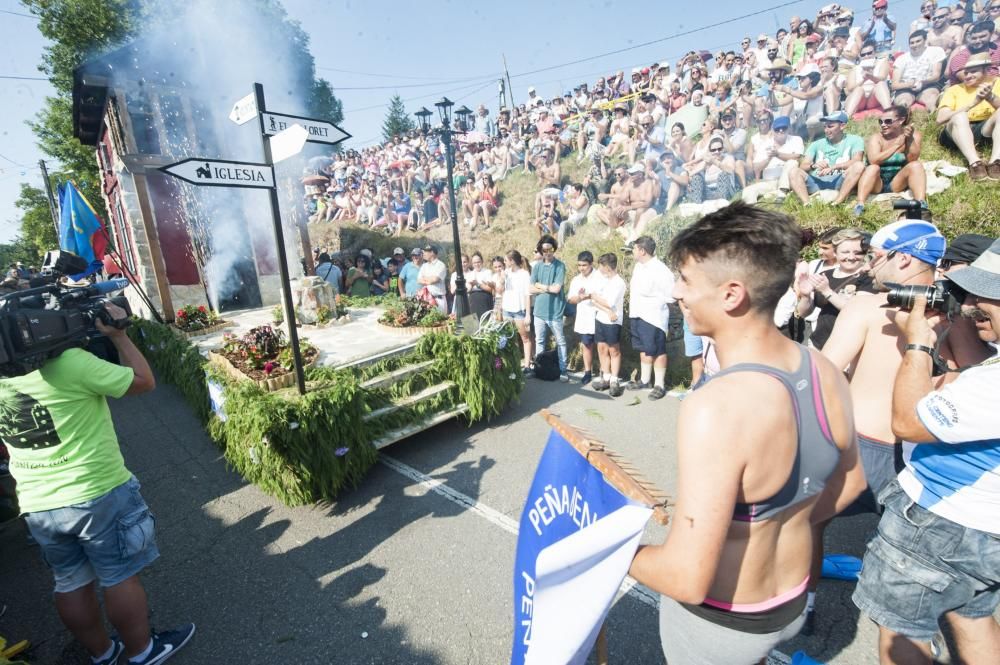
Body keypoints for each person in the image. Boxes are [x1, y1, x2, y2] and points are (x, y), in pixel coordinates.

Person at [628, 202, 865, 665]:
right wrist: (785, 521)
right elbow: (852, 482)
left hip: (724, 621)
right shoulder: (822, 368)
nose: (677, 291)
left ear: (731, 294)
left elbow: (686, 577)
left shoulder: (714, 406)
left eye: (686, 280)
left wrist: (604, 549)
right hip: (791, 597)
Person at [0, 302, 196, 665]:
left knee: (69, 581)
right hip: (95, 490)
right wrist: (120, 335)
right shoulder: (70, 364)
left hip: (38, 502)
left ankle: (103, 653)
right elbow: (143, 381)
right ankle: (142, 651)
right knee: (118, 575)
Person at [853, 238, 1000, 665]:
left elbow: (908, 421)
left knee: (902, 633)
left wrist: (918, 344)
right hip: (986, 529)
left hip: (941, 525)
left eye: (984, 293)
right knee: (973, 618)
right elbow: (973, 378)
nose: (970, 302)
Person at [795, 228, 877, 350]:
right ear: (836, 252)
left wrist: (827, 292)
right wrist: (806, 295)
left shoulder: (868, 277)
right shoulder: (826, 274)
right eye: (845, 252)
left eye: (858, 252)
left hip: (847, 347)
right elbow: (803, 313)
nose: (851, 257)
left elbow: (859, 312)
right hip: (818, 342)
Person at [936, 53, 1000, 181]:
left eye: (973, 72)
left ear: (986, 70)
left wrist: (989, 97)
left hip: (985, 129)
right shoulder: (954, 90)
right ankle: (975, 163)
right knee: (960, 116)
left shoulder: (997, 83)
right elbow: (940, 119)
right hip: (956, 130)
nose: (968, 76)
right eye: (966, 73)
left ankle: (996, 162)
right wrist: (973, 103)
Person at [854, 105, 928, 216]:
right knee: (873, 168)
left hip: (897, 182)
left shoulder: (914, 135)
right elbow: (874, 160)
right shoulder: (877, 137)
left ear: (901, 120)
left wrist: (909, 141)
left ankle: (921, 204)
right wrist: (896, 146)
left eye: (888, 121)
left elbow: (912, 159)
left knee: (916, 165)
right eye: (881, 121)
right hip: (876, 182)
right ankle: (860, 204)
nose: (883, 125)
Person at [627, 236, 674, 400]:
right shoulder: (638, 267)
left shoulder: (661, 270)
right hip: (637, 314)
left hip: (653, 317)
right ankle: (645, 379)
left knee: (658, 350)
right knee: (643, 348)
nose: (632, 251)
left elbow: (670, 297)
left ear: (642, 250)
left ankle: (659, 384)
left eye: (634, 248)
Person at [788, 110, 866, 205]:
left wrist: (834, 167)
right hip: (817, 180)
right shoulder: (816, 144)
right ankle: (807, 204)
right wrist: (813, 166)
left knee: (859, 166)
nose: (826, 130)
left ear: (842, 126)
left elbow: (857, 160)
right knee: (794, 171)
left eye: (830, 126)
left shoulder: (855, 140)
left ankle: (838, 202)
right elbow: (803, 166)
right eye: (825, 127)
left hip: (840, 179)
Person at [530, 235, 569, 382]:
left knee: (560, 341)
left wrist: (539, 286)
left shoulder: (560, 266)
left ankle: (563, 369)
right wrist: (545, 288)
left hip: (555, 312)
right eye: (544, 249)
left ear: (554, 249)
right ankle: (539, 368)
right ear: (541, 250)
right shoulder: (537, 266)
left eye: (550, 249)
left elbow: (556, 289)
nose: (547, 252)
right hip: (539, 311)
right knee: (539, 341)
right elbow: (530, 288)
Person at [589, 252, 627, 397]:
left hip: (613, 321)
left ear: (607, 267)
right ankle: (605, 377)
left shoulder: (619, 283)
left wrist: (596, 298)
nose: (599, 269)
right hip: (601, 318)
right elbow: (594, 300)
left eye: (601, 266)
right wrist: (598, 301)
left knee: (614, 350)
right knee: (602, 348)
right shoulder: (603, 280)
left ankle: (614, 380)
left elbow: (608, 302)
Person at [744, 114, 805, 203]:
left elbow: (798, 157)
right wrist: (768, 159)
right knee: (748, 191)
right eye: (777, 129)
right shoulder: (765, 144)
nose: (780, 131)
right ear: (772, 131)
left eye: (783, 128)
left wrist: (778, 154)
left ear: (788, 128)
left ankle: (782, 194)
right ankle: (752, 212)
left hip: (788, 180)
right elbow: (756, 168)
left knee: (792, 162)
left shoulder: (796, 140)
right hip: (769, 182)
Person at [567, 251, 601, 386]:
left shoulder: (599, 276)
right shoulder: (576, 280)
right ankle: (588, 372)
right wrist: (580, 298)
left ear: (591, 264)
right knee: (587, 345)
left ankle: (604, 372)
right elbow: (571, 299)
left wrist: (589, 296)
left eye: (584, 265)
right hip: (585, 317)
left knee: (602, 346)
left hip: (599, 316)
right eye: (579, 265)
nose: (581, 268)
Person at [890, 29, 947, 109]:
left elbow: (936, 76)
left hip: (928, 85)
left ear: (925, 41)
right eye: (912, 43)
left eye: (918, 41)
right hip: (906, 88)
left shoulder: (935, 51)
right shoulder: (901, 59)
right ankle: (901, 119)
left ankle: (933, 118)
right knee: (903, 103)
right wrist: (910, 84)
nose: (914, 45)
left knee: (931, 99)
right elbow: (894, 85)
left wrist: (921, 82)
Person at [502, 250, 534, 373]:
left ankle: (527, 365)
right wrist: (501, 278)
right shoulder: (506, 273)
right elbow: (500, 289)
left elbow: (527, 295)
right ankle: (515, 364)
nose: (504, 262)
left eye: (506, 260)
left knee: (525, 337)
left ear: (512, 261)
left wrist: (527, 314)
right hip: (507, 310)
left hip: (519, 310)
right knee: (511, 338)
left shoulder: (524, 274)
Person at [418, 244, 448, 314]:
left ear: (432, 253)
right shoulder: (424, 266)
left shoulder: (441, 265)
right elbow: (419, 280)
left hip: (439, 300)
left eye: (425, 252)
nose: (423, 254)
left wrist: (425, 278)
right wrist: (430, 279)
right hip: (426, 300)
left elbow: (434, 280)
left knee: (441, 322)